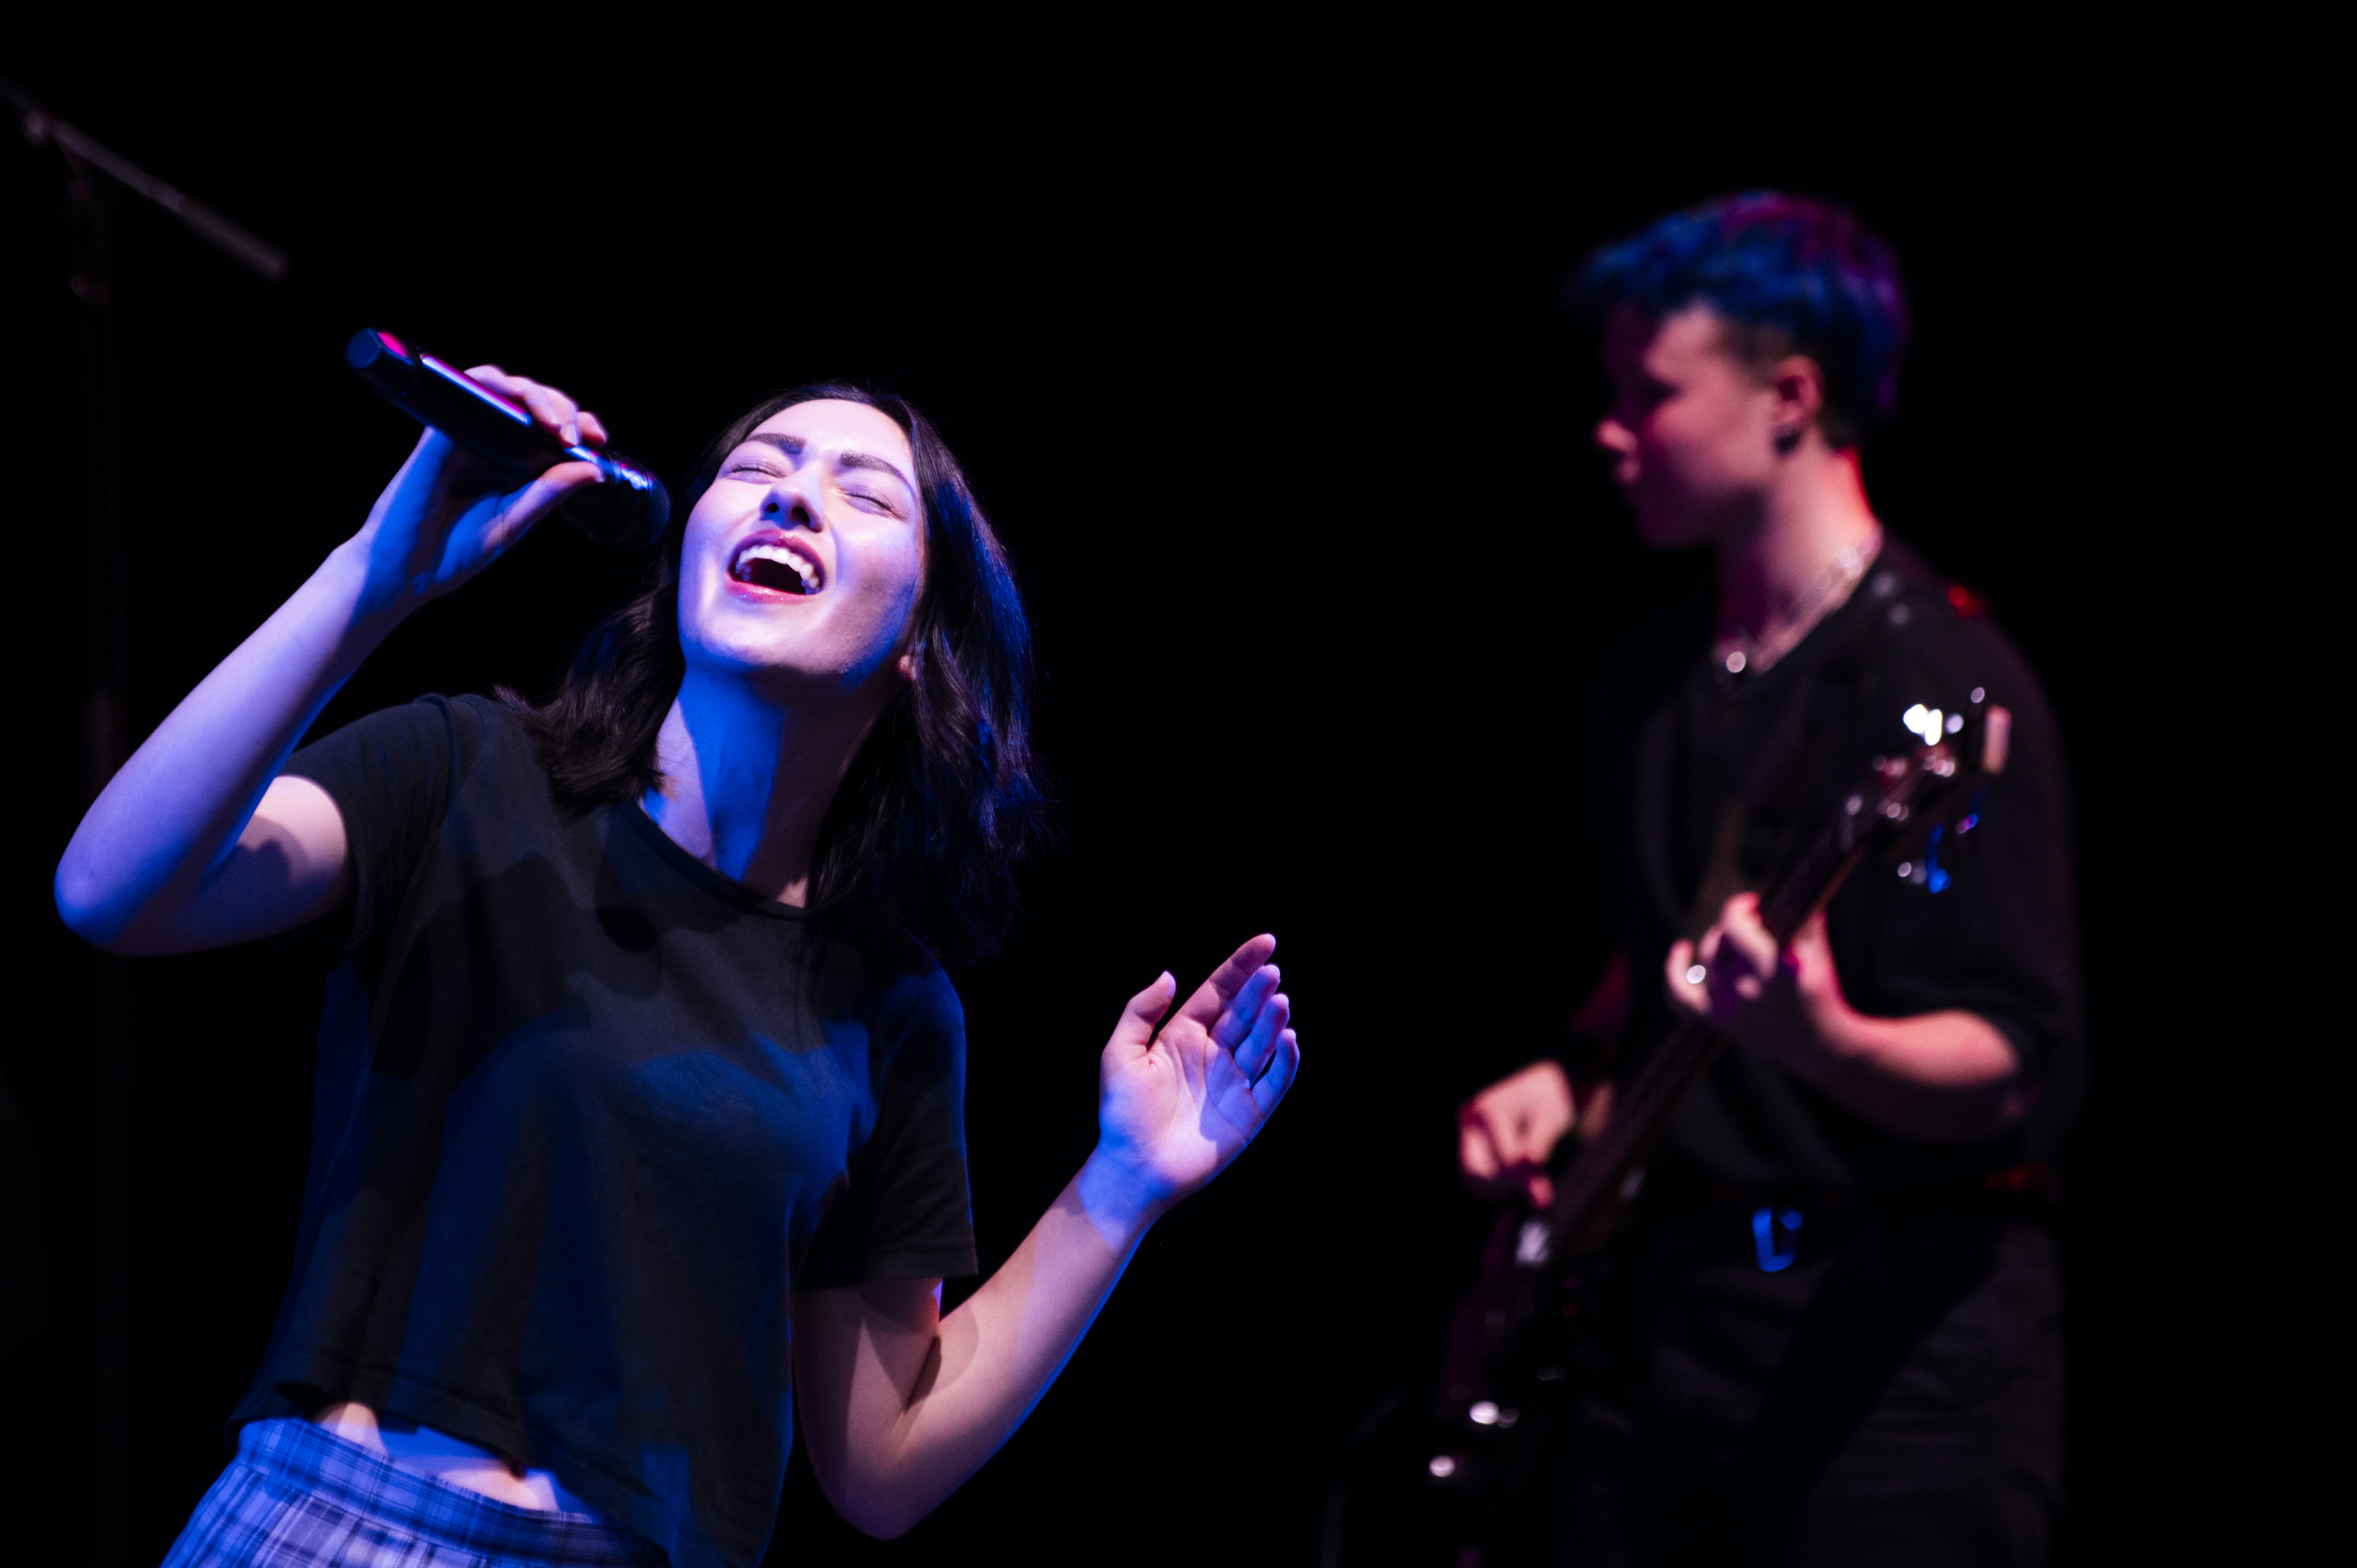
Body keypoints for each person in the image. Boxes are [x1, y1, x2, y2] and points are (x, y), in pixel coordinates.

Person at [54, 372, 1302, 1568]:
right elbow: (116, 892)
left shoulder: (892, 1007)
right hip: (344, 1522)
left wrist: (1122, 1188)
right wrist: (376, 578)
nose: (792, 496)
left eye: (864, 493)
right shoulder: (470, 776)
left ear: (922, 636)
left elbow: (881, 1463)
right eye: (758, 468)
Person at [1455, 194, 2080, 1566]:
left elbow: (2014, 1059)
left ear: (1790, 397)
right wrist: (1572, 1072)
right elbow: (1661, 956)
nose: (1611, 429)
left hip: (1887, 1379)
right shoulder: (1657, 677)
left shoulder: (1943, 689)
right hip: (1665, 1341)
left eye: (1651, 394)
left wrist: (1827, 1041)